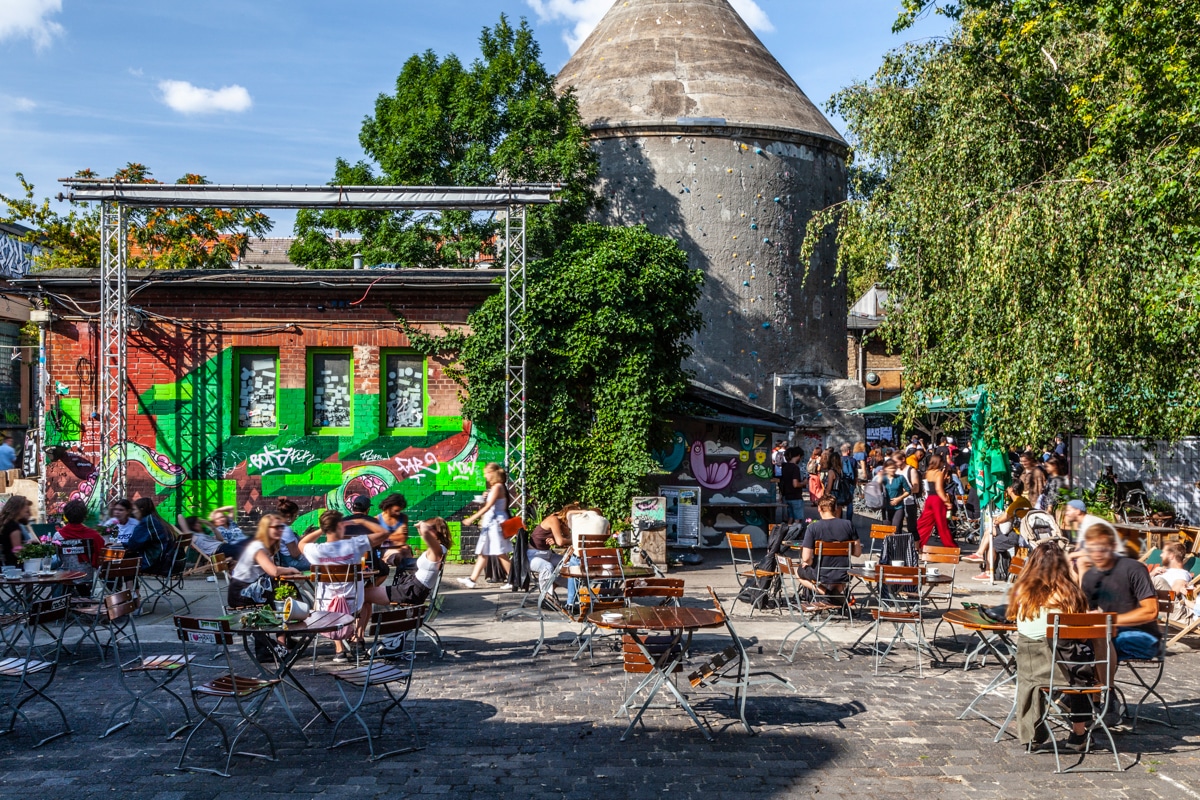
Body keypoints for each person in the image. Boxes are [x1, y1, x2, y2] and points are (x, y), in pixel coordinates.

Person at [1008, 543, 1093, 752]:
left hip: (1029, 667)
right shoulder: (1070, 594)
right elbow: (1081, 636)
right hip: (1063, 669)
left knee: (1073, 662)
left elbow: (1013, 620)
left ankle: (1035, 731)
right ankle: (1079, 733)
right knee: (1083, 666)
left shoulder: (1021, 591)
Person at [299, 510, 393, 661]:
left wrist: (320, 530)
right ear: (341, 526)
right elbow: (383, 533)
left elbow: (301, 543)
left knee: (333, 602)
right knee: (365, 596)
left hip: (326, 607)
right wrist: (361, 521)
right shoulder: (354, 545)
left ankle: (339, 650)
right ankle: (357, 638)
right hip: (353, 604)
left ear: (325, 528)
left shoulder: (316, 550)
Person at [1079, 522, 1161, 686]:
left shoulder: (1134, 569)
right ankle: (1079, 694)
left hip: (1143, 637)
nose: (1097, 553)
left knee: (1098, 639)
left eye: (1102, 548)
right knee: (1070, 641)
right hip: (1111, 634)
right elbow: (1088, 613)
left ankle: (1103, 697)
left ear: (1113, 546)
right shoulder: (1090, 576)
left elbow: (1151, 611)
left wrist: (1108, 620)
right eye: (1092, 548)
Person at [227, 514, 303, 608]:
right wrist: (290, 569)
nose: (280, 530)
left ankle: (296, 615)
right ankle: (297, 615)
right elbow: (274, 571)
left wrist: (287, 570)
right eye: (276, 527)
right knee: (286, 589)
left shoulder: (268, 547)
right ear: (266, 529)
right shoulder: (257, 547)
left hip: (252, 587)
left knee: (287, 587)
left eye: (281, 527)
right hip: (241, 592)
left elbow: (272, 570)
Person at [458, 462, 512, 589]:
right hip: (491, 524)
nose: (485, 476)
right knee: (484, 552)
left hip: (495, 524)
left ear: (493, 473)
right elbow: (488, 505)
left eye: (487, 473)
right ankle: (472, 579)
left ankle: (513, 580)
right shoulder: (497, 488)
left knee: (500, 552)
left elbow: (488, 507)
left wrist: (471, 518)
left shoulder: (498, 487)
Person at [967, 481, 1032, 580]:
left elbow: (1003, 518)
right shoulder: (1024, 500)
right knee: (990, 530)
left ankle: (988, 572)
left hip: (1018, 535)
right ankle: (979, 554)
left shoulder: (1016, 503)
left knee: (993, 544)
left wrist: (996, 519)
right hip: (1017, 531)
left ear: (1011, 489)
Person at [798, 495, 861, 593]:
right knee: (840, 580)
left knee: (798, 572)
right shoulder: (848, 525)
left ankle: (824, 592)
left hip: (820, 573)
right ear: (835, 508)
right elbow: (857, 552)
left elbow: (806, 558)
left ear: (819, 508)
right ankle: (834, 596)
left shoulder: (813, 527)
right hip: (844, 572)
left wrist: (808, 563)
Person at [387, 517, 452, 606]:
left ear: (434, 532)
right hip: (413, 587)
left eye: (429, 529)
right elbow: (424, 535)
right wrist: (420, 527)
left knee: (368, 594)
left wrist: (423, 525)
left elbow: (425, 533)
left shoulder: (437, 549)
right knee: (370, 593)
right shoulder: (440, 548)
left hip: (411, 590)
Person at [123, 498, 177, 575]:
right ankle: (132, 586)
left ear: (142, 509)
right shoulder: (156, 519)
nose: (133, 513)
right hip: (168, 561)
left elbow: (133, 544)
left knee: (121, 562)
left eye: (134, 510)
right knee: (129, 560)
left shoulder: (147, 522)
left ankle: (124, 586)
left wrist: (120, 544)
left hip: (155, 563)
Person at [526, 507, 572, 593]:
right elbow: (561, 541)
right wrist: (567, 540)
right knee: (547, 567)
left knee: (572, 564)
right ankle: (546, 596)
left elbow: (567, 539)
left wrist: (561, 539)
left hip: (547, 554)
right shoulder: (553, 519)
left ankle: (554, 585)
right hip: (532, 555)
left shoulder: (562, 523)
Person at [916, 453, 955, 548]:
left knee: (924, 522)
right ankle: (950, 545)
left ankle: (916, 541)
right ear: (939, 462)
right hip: (937, 499)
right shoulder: (938, 474)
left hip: (929, 498)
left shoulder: (927, 473)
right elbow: (939, 489)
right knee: (942, 524)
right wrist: (946, 501)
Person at [55, 498, 106, 568]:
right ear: (84, 516)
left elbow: (57, 558)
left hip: (66, 575)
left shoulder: (58, 536)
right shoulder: (94, 536)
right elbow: (100, 558)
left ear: (66, 516)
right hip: (89, 575)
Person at [275, 498, 309, 570]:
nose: (295, 518)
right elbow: (295, 554)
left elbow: (290, 544)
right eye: (295, 516)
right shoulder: (286, 530)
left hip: (286, 561)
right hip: (292, 563)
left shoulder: (279, 526)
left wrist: (305, 536)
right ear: (288, 516)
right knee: (320, 563)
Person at [0, 496, 33, 568]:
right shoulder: (13, 526)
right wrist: (33, 548)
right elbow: (17, 550)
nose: (27, 509)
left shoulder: (6, 523)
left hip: (6, 564)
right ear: (18, 508)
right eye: (25, 507)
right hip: (14, 566)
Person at [882, 460, 912, 537]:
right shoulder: (883, 479)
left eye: (894, 468)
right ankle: (888, 547)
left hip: (898, 507)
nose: (893, 470)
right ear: (885, 469)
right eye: (890, 468)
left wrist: (899, 498)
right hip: (886, 508)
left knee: (896, 529)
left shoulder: (900, 478)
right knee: (886, 531)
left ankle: (897, 547)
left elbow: (908, 491)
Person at [778, 446, 805, 524]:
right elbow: (795, 484)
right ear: (798, 456)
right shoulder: (795, 468)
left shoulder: (784, 467)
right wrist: (804, 483)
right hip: (796, 496)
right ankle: (795, 534)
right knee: (797, 519)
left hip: (787, 496)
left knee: (790, 517)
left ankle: (787, 532)